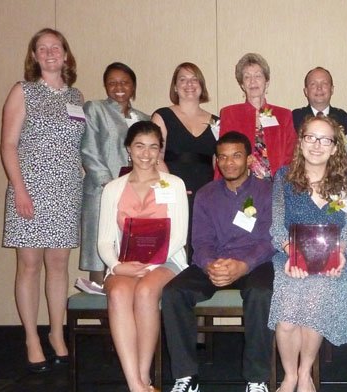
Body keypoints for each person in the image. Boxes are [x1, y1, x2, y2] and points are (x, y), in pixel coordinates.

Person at [160, 131, 275, 392]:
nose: (229, 162)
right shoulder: (206, 194)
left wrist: (243, 265)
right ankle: (186, 378)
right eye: (222, 156)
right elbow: (200, 241)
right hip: (214, 262)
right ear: (216, 160)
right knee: (174, 292)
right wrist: (211, 264)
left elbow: (269, 239)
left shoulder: (266, 191)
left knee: (262, 293)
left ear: (249, 159)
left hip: (254, 263)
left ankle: (257, 379)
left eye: (236, 155)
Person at [1, 28, 85, 373]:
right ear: (34, 56)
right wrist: (19, 189)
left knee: (59, 267)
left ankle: (56, 334)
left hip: (66, 191)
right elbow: (8, 145)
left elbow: (77, 147)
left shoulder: (76, 96)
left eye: (56, 47)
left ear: (66, 54)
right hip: (30, 190)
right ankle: (32, 338)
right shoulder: (23, 91)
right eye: (42, 48)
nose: (50, 53)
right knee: (30, 266)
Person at [268, 116, 347, 392]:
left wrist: (342, 255)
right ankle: (289, 375)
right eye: (311, 137)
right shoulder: (284, 178)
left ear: (335, 147)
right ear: (301, 141)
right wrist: (291, 252)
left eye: (325, 139)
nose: (317, 145)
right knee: (286, 319)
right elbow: (276, 228)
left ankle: (306, 370)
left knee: (314, 298)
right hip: (290, 259)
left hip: (333, 261)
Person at [97, 121, 188, 392]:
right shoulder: (113, 188)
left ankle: (143, 378)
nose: (146, 153)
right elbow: (104, 240)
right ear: (128, 149)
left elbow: (180, 235)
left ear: (160, 149)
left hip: (165, 260)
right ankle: (137, 386)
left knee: (147, 290)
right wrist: (116, 265)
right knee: (121, 292)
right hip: (124, 262)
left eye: (153, 146)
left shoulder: (172, 183)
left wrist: (149, 263)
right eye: (139, 146)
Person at [80, 62, 150, 284]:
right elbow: (89, 151)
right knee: (102, 253)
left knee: (130, 254)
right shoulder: (95, 109)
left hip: (136, 196)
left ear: (133, 86)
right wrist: (113, 189)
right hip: (103, 193)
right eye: (112, 82)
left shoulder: (145, 118)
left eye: (125, 82)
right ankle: (102, 312)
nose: (118, 87)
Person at [152, 62, 218, 258]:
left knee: (201, 242)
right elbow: (155, 156)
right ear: (175, 86)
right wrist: (174, 188)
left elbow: (217, 161)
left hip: (206, 190)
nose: (189, 84)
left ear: (202, 85)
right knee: (174, 243)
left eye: (194, 79)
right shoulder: (162, 115)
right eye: (183, 79)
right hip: (170, 188)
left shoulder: (216, 121)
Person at [220, 53, 296, 179]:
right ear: (242, 85)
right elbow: (224, 153)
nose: (252, 81)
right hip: (241, 184)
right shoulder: (230, 114)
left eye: (258, 76)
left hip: (278, 185)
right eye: (247, 77)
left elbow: (292, 155)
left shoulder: (283, 115)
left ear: (267, 82)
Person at [292, 66, 347, 164]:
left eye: (324, 84)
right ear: (306, 91)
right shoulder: (293, 119)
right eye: (313, 84)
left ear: (332, 89)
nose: (319, 88)